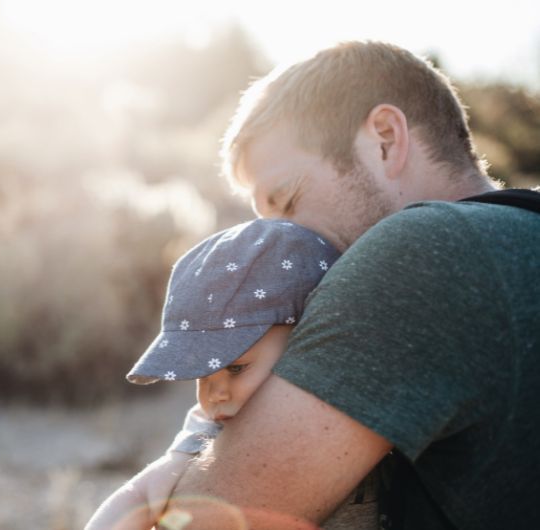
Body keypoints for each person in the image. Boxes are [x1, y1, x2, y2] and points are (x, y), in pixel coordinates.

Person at [161, 40, 540, 529]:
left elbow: (204, 523)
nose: (279, 242)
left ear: (384, 138)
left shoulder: (421, 251)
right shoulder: (518, 235)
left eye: (288, 200)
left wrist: (172, 467)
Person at [85, 218, 352, 530]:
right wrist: (175, 467)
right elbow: (140, 494)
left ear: (306, 337)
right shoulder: (211, 429)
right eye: (201, 374)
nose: (214, 394)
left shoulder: (351, 404)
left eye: (236, 368)